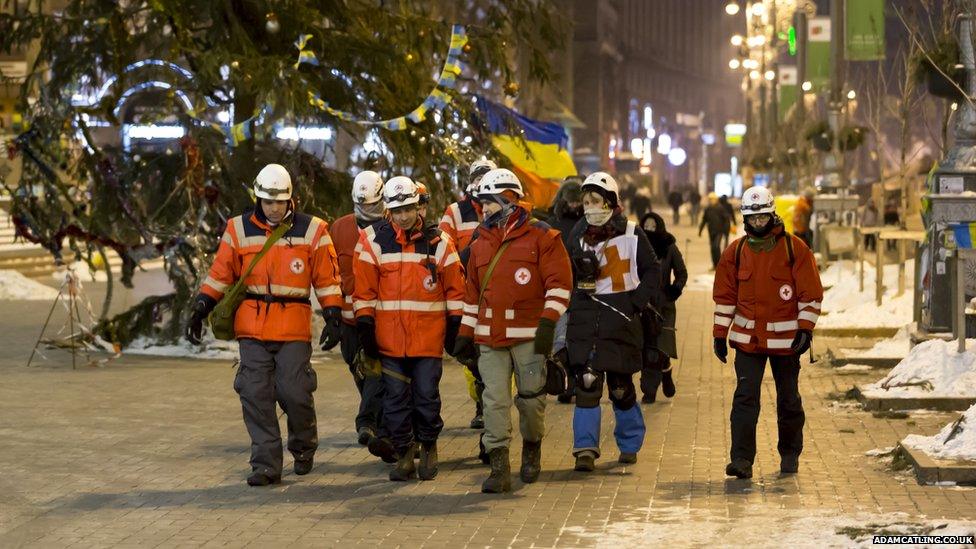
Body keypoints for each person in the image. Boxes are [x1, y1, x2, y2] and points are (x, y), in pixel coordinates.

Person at [186, 163, 342, 486]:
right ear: (258, 198)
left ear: (290, 200)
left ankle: (303, 444)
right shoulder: (238, 229)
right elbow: (220, 273)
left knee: (295, 391)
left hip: (293, 327)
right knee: (255, 392)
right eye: (268, 201)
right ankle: (266, 465)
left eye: (280, 202)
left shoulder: (313, 230)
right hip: (252, 328)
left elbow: (327, 279)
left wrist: (333, 314)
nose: (274, 208)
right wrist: (202, 306)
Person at [453, 168, 573, 493]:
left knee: (532, 401)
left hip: (529, 336)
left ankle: (532, 447)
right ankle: (499, 465)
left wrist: (548, 323)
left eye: (489, 203)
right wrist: (465, 334)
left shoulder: (543, 238)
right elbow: (471, 295)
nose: (484, 210)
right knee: (494, 400)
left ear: (508, 200)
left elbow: (560, 285)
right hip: (490, 337)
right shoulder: (480, 242)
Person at [353, 176, 465, 482]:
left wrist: (455, 327)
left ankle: (428, 445)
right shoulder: (371, 240)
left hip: (428, 340)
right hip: (389, 341)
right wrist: (365, 327)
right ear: (388, 210)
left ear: (419, 207)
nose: (404, 216)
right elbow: (364, 293)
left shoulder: (440, 243)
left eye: (409, 209)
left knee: (427, 397)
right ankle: (404, 453)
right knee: (395, 401)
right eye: (398, 210)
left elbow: (456, 291)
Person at [712, 186, 823, 479]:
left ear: (771, 214)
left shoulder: (795, 249)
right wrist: (719, 334)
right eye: (753, 218)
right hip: (748, 342)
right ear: (745, 219)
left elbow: (810, 295)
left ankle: (789, 453)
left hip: (787, 342)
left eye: (763, 217)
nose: (758, 223)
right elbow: (725, 299)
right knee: (745, 399)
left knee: (788, 399)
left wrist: (805, 329)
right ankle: (741, 460)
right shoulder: (735, 253)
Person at [566, 172, 661, 471]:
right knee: (587, 383)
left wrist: (635, 303)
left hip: (620, 321)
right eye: (585, 202)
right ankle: (584, 449)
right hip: (586, 321)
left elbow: (653, 272)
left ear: (610, 201)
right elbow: (565, 276)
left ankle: (630, 443)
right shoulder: (577, 235)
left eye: (595, 201)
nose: (590, 207)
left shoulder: (632, 233)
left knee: (620, 388)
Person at [328, 170, 395, 462]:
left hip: (381, 317)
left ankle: (369, 423)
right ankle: (377, 424)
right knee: (360, 373)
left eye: (373, 206)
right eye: (362, 206)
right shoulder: (340, 228)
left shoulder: (393, 226)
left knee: (377, 372)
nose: (368, 212)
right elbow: (329, 272)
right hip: (348, 321)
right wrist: (331, 315)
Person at [440, 159, 496, 431]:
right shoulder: (455, 212)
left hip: (495, 296)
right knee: (470, 356)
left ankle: (490, 407)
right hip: (466, 296)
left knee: (491, 354)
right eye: (478, 176)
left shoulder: (502, 207)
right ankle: (481, 402)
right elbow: (443, 250)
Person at [638, 212, 687, 403]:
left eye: (652, 226)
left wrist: (674, 290)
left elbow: (681, 272)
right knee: (647, 348)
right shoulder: (636, 246)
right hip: (644, 304)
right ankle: (649, 390)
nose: (649, 230)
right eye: (646, 226)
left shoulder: (669, 247)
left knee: (661, 348)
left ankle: (666, 374)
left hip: (664, 306)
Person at [547, 178, 584, 404]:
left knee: (577, 340)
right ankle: (567, 381)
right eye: (570, 201)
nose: (573, 205)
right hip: (559, 290)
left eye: (576, 201)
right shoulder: (554, 223)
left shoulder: (588, 224)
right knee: (560, 341)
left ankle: (575, 382)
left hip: (581, 291)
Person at [699, 193, 732, 270]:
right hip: (711, 231)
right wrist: (700, 230)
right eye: (710, 199)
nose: (711, 201)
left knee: (716, 247)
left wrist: (725, 231)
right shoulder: (708, 209)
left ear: (716, 200)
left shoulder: (720, 208)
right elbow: (704, 220)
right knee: (712, 249)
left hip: (719, 231)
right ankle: (715, 265)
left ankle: (719, 265)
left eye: (712, 199)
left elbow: (726, 220)